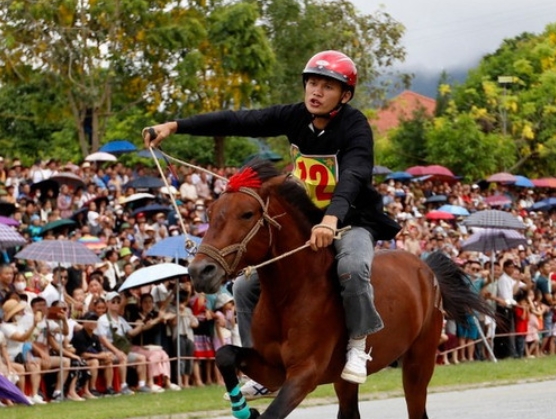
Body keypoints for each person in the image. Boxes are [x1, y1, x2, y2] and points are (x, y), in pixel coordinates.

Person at [143, 50, 400, 387]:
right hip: (310, 223)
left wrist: (332, 220)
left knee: (352, 268)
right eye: (312, 83)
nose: (316, 92)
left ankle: (357, 345)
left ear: (345, 95)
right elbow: (238, 121)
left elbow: (353, 176)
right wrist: (175, 126)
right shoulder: (294, 117)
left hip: (352, 220)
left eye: (327, 86)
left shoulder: (355, 127)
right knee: (248, 284)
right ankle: (262, 364)